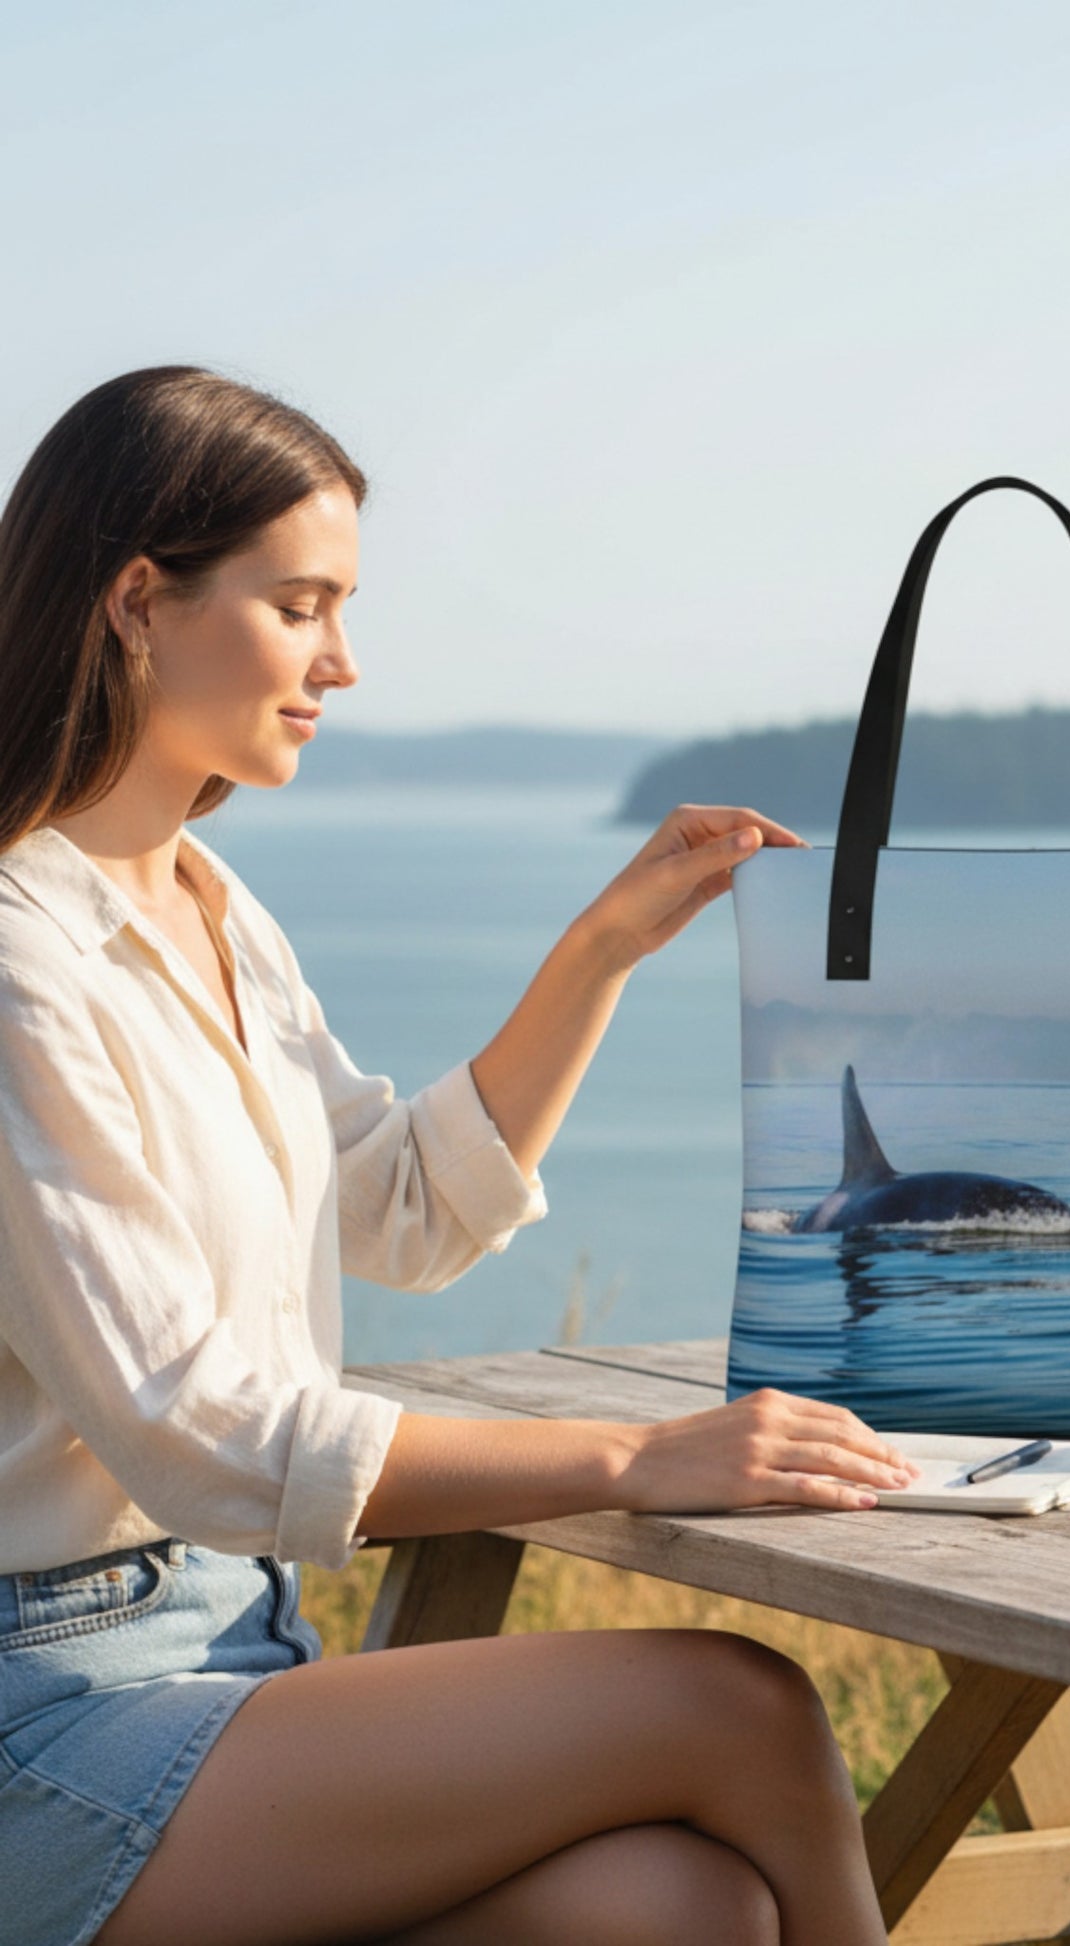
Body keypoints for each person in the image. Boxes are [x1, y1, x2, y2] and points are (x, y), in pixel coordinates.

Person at [0, 366, 922, 1946]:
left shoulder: (209, 909)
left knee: (673, 1906)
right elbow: (194, 1430)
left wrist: (600, 951)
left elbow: (402, 1206)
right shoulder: (20, 955)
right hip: (51, 1713)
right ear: (140, 602)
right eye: (301, 606)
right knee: (736, 1706)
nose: (340, 663)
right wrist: (636, 1454)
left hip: (231, 1649)